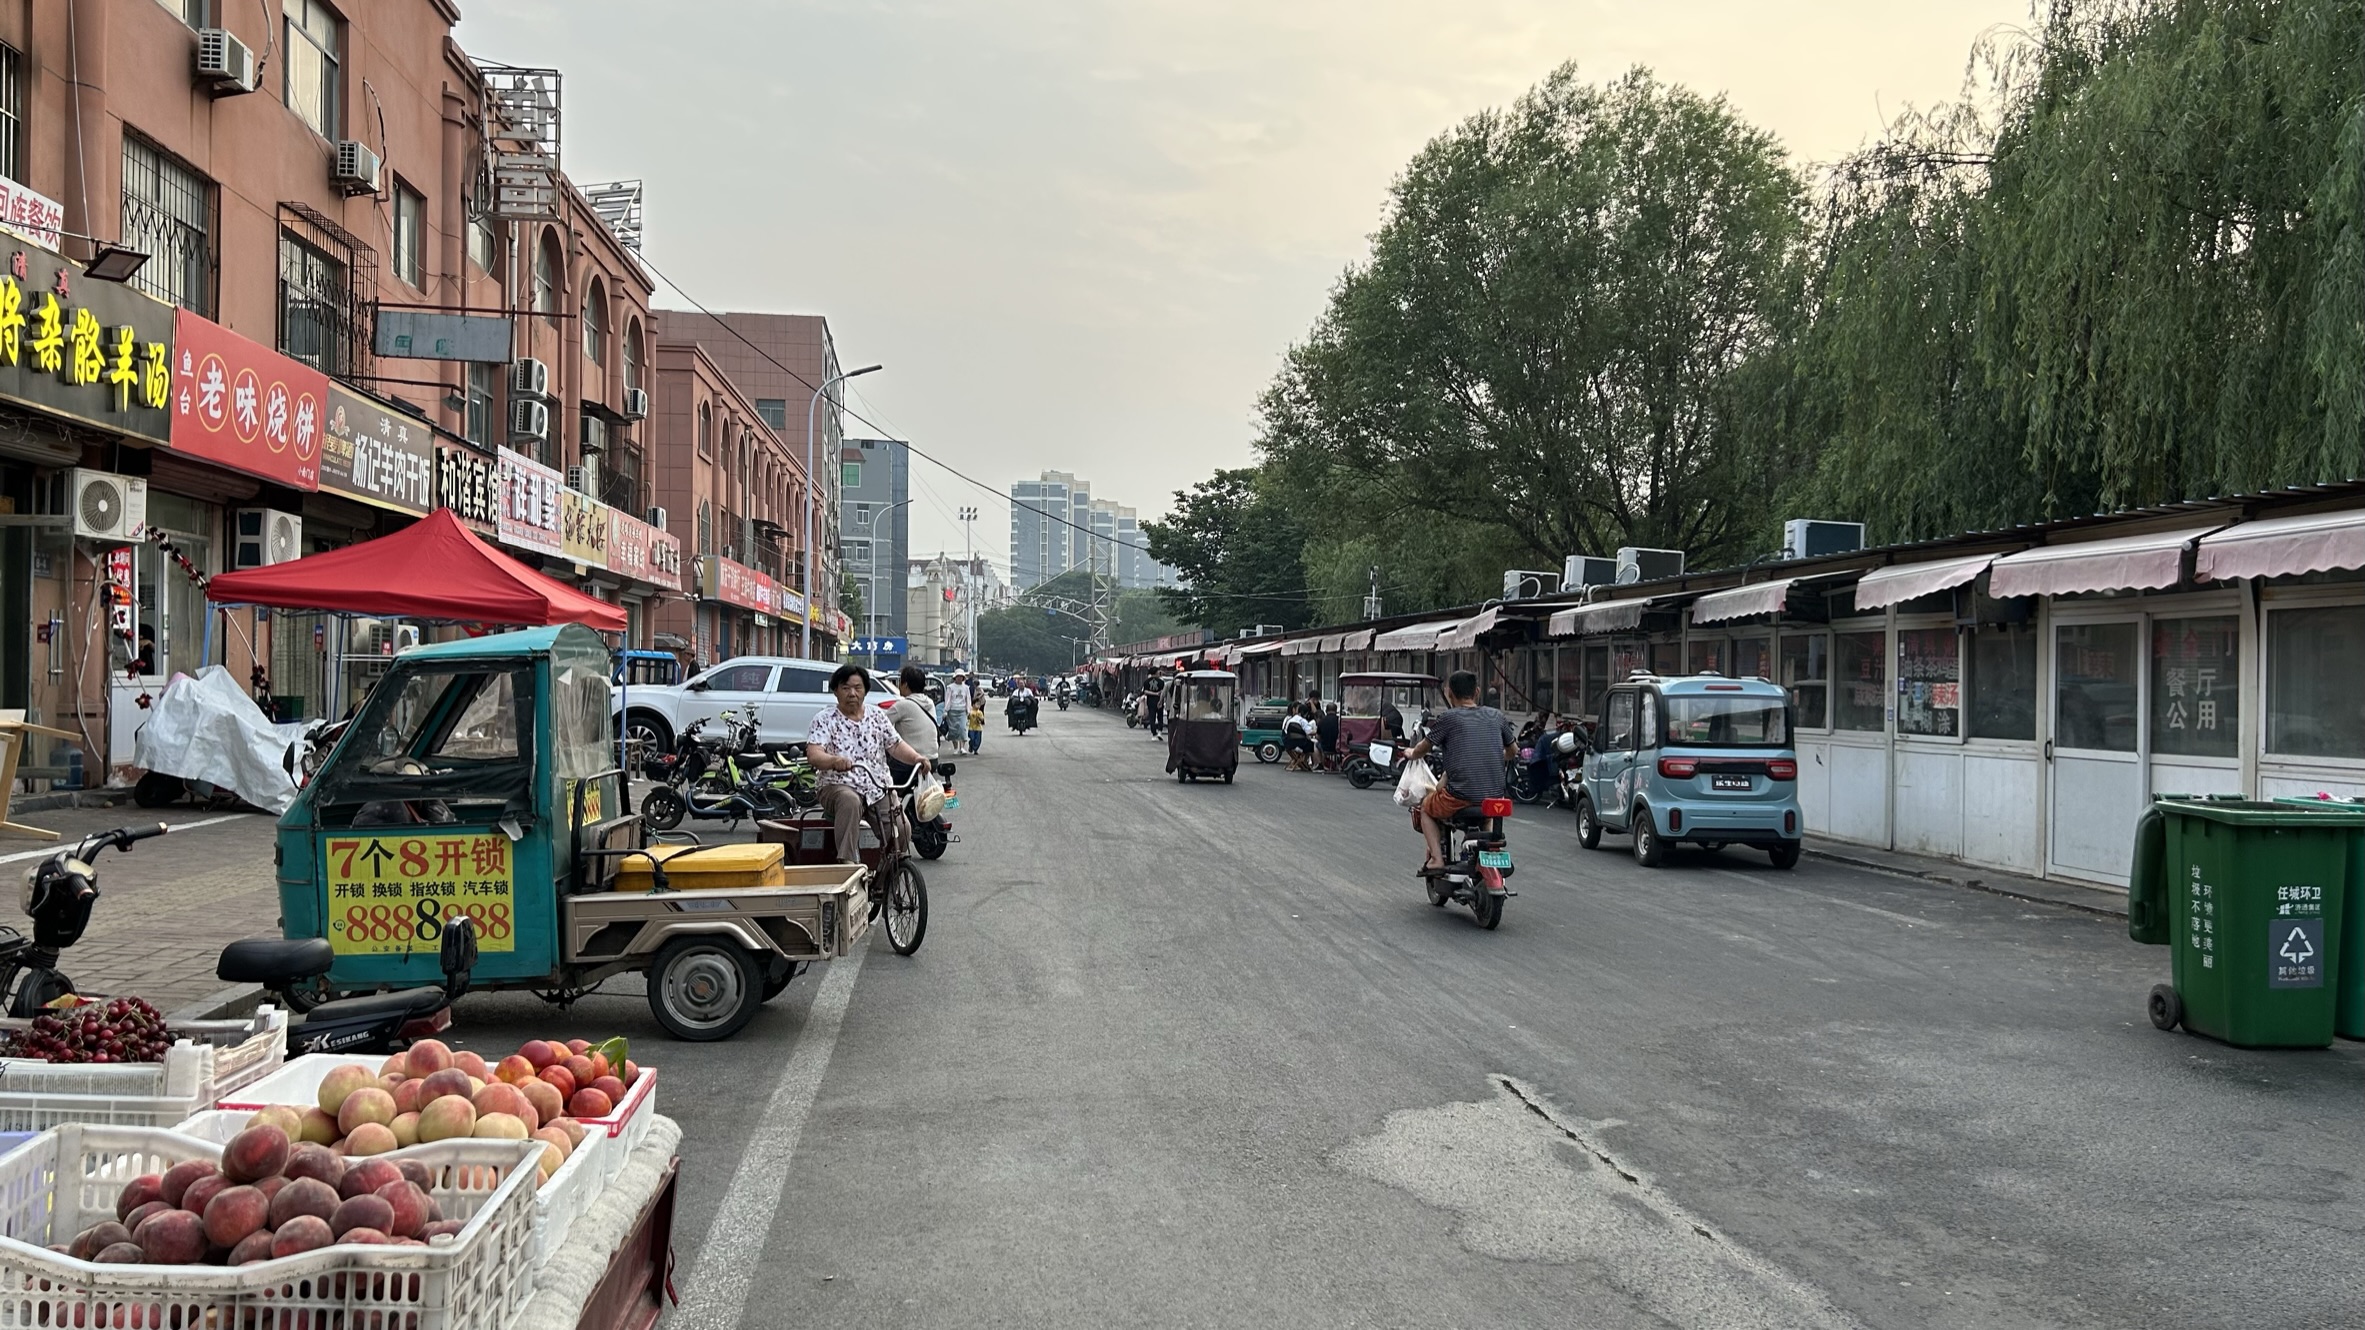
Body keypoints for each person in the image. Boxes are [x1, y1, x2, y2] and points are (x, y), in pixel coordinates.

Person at [806, 664, 931, 865]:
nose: (852, 693)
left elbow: (896, 745)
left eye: (858, 687)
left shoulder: (877, 716)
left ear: (865, 691)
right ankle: (846, 863)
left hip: (877, 787)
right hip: (838, 785)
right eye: (846, 688)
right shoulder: (824, 719)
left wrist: (917, 758)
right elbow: (814, 754)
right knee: (850, 800)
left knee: (902, 829)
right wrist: (834, 761)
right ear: (836, 691)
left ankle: (885, 874)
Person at [1401, 670, 1516, 871]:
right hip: (1494, 798)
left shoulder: (1448, 718)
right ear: (1477, 692)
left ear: (1449, 693)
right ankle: (1487, 855)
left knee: (1426, 808)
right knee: (1487, 815)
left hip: (1459, 798)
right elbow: (1513, 751)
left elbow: (1424, 747)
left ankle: (1436, 858)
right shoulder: (1497, 716)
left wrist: (1411, 753)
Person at [890, 665, 941, 762]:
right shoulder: (929, 702)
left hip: (911, 762)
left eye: (900, 682)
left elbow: (879, 724)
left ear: (905, 685)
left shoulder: (902, 705)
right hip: (933, 759)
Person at [942, 672, 972, 754]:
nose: (959, 678)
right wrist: (946, 710)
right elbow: (948, 699)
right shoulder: (950, 687)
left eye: (961, 677)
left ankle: (962, 747)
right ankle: (955, 748)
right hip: (952, 710)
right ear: (955, 677)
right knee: (953, 730)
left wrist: (968, 710)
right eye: (958, 676)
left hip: (962, 710)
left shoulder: (966, 688)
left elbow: (968, 699)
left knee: (962, 728)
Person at [1282, 702, 1317, 772]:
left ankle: (1302, 762)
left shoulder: (1290, 720)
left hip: (1288, 744)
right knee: (1313, 745)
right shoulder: (1303, 721)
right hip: (1301, 745)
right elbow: (1309, 732)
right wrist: (1316, 730)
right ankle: (1306, 762)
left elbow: (1285, 731)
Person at [1315, 701, 1342, 773]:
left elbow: (1318, 736)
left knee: (1315, 745)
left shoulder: (1321, 721)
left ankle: (1321, 764)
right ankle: (1339, 764)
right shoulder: (1340, 721)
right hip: (1338, 747)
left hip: (1325, 747)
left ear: (1326, 711)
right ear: (1336, 711)